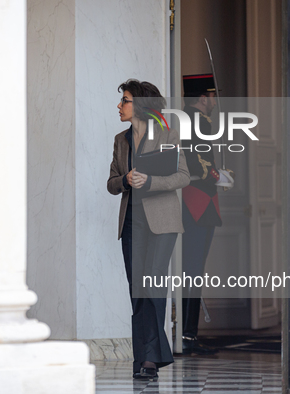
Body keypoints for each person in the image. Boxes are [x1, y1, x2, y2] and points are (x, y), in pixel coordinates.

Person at [107, 79, 190, 379]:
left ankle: (151, 359)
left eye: (125, 100)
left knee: (153, 289)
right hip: (131, 221)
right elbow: (111, 183)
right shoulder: (120, 140)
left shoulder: (167, 132)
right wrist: (125, 180)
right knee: (137, 292)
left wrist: (151, 182)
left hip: (162, 222)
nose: (119, 106)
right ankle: (143, 357)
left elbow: (183, 176)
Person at [181, 73, 233, 355]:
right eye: (212, 95)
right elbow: (195, 162)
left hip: (200, 203)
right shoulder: (196, 121)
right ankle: (188, 335)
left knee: (193, 271)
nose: (214, 100)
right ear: (203, 98)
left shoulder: (197, 120)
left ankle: (189, 333)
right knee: (192, 272)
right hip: (196, 203)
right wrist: (217, 176)